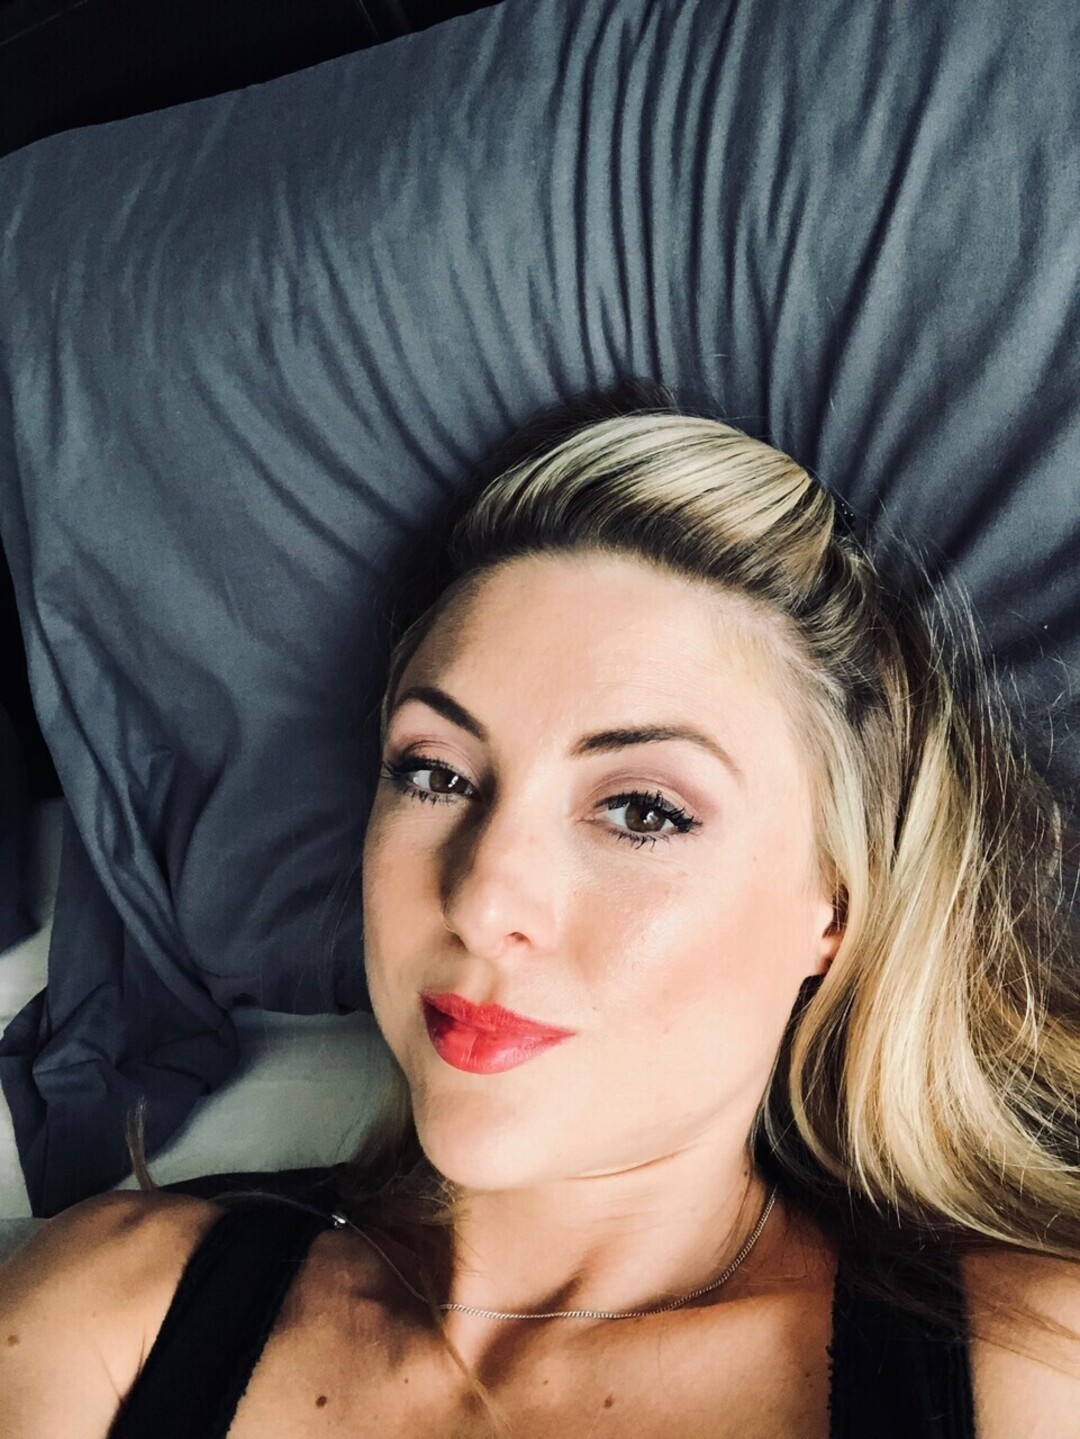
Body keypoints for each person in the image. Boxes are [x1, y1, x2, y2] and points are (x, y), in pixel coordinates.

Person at [2, 383, 1080, 1437]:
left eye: (643, 810)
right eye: (434, 774)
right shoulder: (107, 1322)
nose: (482, 901)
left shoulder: (1035, 1373)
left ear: (832, 907)